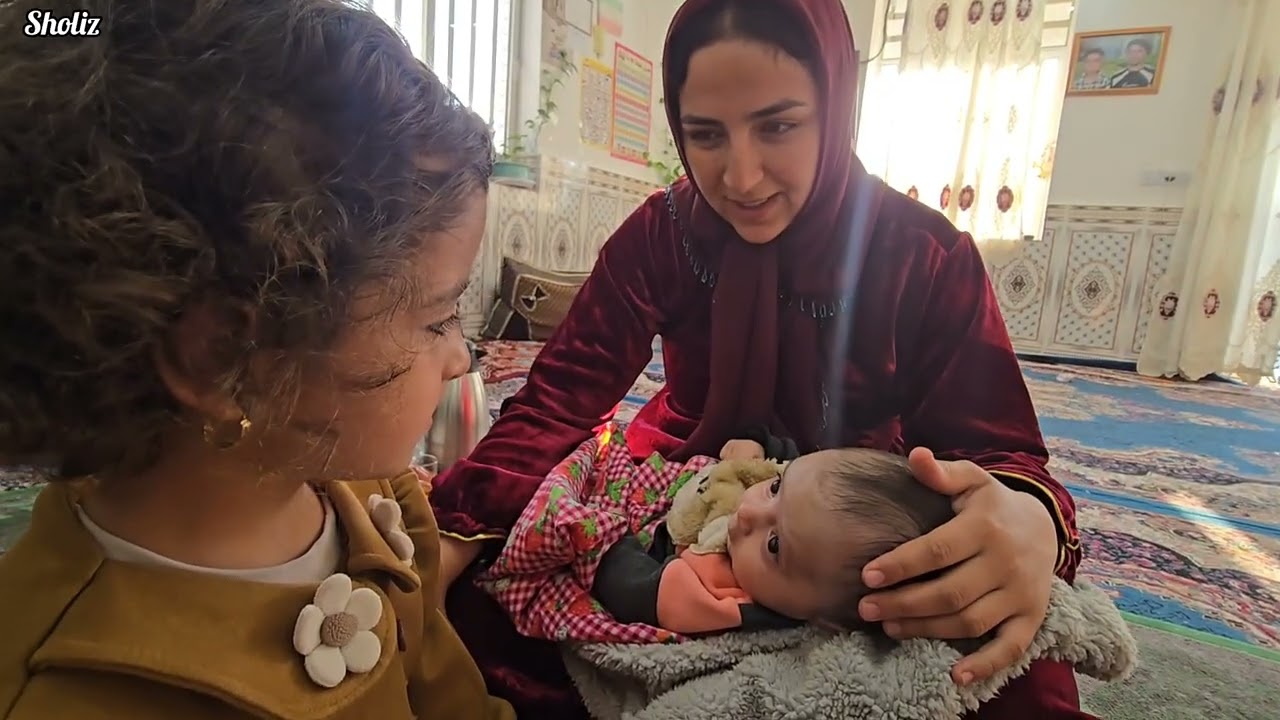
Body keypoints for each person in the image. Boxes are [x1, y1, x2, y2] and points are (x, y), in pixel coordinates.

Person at [431, 0, 1087, 718]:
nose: (740, 178)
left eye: (777, 125)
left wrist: (1029, 526)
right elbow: (558, 399)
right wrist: (456, 529)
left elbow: (1002, 456)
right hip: (675, 489)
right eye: (705, 134)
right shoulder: (666, 233)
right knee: (479, 604)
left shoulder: (920, 255)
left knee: (1017, 665)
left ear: (836, 104)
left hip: (855, 526)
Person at [0, 1, 511, 718]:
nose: (462, 357)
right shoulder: (61, 685)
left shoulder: (380, 506)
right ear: (224, 357)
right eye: (436, 319)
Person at [594, 444, 956, 637]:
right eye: (775, 488)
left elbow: (633, 590)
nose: (748, 512)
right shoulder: (807, 508)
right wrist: (758, 442)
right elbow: (789, 453)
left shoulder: (726, 601)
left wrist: (611, 537)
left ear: (825, 621)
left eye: (774, 545)